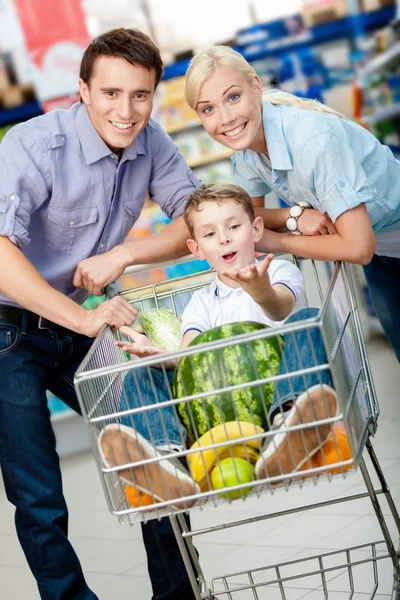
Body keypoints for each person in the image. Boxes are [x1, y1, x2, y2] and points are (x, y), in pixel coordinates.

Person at [0, 27, 205, 600]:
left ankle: (178, 593)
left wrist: (124, 253)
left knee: (156, 449)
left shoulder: (152, 142)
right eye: (111, 93)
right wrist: (82, 317)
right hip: (7, 330)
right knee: (37, 491)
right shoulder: (33, 144)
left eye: (141, 94)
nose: (127, 110)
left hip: (81, 318)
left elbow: (197, 215)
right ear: (83, 90)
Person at [99, 184, 337, 504]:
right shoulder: (201, 303)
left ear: (255, 230)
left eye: (234, 226)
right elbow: (189, 355)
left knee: (307, 320)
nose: (223, 238)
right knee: (141, 376)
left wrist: (260, 289)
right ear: (197, 250)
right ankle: (167, 459)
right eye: (209, 235)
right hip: (214, 422)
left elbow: (279, 308)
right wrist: (158, 356)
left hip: (273, 400)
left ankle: (291, 423)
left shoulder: (279, 270)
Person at [184, 46, 400, 361]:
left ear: (255, 88)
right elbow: (246, 214)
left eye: (233, 97)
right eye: (208, 109)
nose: (225, 118)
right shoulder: (246, 150)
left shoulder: (311, 141)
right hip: (384, 251)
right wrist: (294, 217)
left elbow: (357, 247)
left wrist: (278, 239)